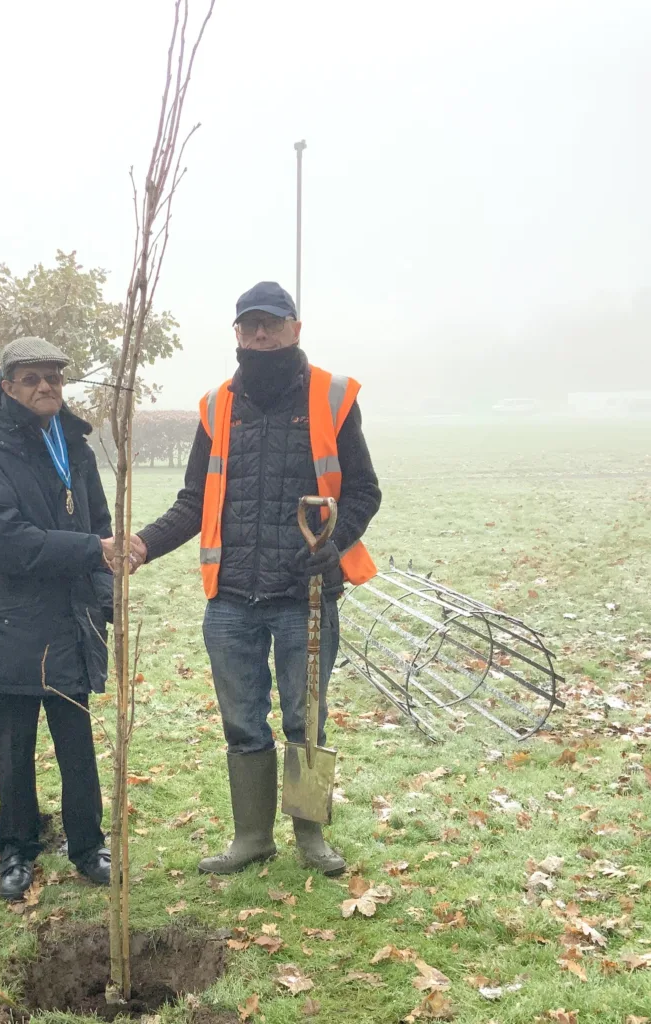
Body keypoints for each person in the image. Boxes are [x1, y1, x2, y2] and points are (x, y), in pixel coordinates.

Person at [107, 282, 381, 876]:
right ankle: (252, 837)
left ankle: (310, 835)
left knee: (304, 719)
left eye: (272, 324)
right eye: (250, 325)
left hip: (303, 594)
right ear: (237, 333)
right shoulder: (217, 406)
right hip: (231, 597)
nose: (261, 335)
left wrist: (333, 544)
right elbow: (192, 501)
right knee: (242, 722)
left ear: (295, 329)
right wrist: (141, 545)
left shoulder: (332, 397)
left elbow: (363, 490)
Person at [0, 337, 114, 900]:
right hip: (9, 623)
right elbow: (4, 542)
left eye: (53, 376)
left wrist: (106, 599)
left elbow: (100, 528)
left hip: (70, 619)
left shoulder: (74, 443)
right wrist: (95, 553)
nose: (45, 385)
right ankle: (16, 853)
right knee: (15, 746)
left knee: (76, 739)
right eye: (30, 377)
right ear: (6, 387)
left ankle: (88, 845)